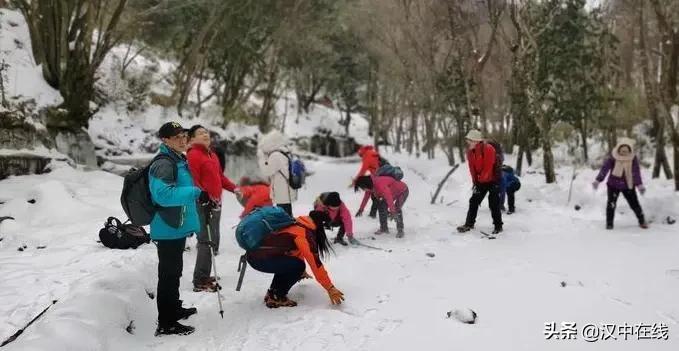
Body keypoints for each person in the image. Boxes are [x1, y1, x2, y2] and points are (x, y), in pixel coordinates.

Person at [149, 122, 204, 336]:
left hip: (175, 225)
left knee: (175, 272)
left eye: (183, 135)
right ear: (165, 140)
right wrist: (196, 193)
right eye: (176, 136)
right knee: (168, 275)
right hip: (166, 226)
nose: (182, 139)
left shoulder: (177, 159)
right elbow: (163, 195)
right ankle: (166, 322)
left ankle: (174, 308)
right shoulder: (163, 163)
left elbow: (180, 189)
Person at [246, 211, 345, 308]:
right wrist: (330, 287)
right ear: (320, 225)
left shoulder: (296, 223)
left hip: (254, 255)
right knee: (298, 266)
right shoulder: (303, 233)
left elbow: (293, 251)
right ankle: (277, 296)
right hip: (260, 259)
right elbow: (315, 262)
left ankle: (273, 293)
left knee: (295, 265)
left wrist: (300, 270)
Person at [186, 125, 237, 292]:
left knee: (212, 239)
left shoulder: (212, 154)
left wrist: (234, 188)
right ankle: (200, 279)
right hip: (202, 205)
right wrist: (202, 197)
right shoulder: (193, 155)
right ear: (192, 139)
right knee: (205, 240)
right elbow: (193, 181)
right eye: (200, 133)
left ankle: (205, 274)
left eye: (206, 132)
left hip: (215, 203)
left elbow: (220, 177)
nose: (205, 134)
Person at [593, 138, 648, 230]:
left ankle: (642, 221)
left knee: (634, 204)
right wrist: (598, 180)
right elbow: (605, 168)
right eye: (622, 151)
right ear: (618, 149)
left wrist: (639, 185)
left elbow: (635, 172)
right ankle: (609, 224)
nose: (623, 153)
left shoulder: (632, 159)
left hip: (628, 185)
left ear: (629, 150)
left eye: (626, 151)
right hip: (613, 185)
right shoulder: (613, 157)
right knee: (611, 204)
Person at [456, 129, 503, 234]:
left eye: (470, 140)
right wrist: (475, 182)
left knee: (493, 203)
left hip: (493, 179)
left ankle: (498, 226)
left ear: (476, 141)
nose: (468, 142)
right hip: (481, 180)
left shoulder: (489, 149)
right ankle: (469, 224)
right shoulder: (470, 152)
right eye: (468, 140)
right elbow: (472, 169)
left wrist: (481, 180)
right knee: (474, 201)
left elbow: (488, 167)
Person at [257, 131, 297, 216]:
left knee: (284, 217)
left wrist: (261, 158)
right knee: (287, 214)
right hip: (287, 191)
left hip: (282, 192)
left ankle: (288, 229)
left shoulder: (276, 155)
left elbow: (267, 171)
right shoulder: (285, 152)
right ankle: (290, 228)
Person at [353, 145, 382, 218]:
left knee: (376, 197)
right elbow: (366, 196)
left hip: (378, 179)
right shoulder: (372, 152)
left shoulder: (367, 155)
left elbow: (363, 169)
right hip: (377, 176)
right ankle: (373, 214)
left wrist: (356, 180)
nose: (361, 157)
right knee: (374, 196)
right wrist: (361, 209)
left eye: (360, 156)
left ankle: (375, 214)